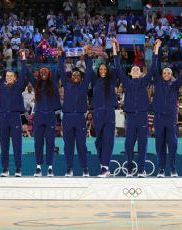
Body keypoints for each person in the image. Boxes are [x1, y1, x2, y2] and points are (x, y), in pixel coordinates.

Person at [113, 38, 160, 177]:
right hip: (131, 117)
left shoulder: (144, 81)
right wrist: (115, 49)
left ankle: (141, 170)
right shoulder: (126, 82)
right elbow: (118, 67)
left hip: (143, 116)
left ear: (140, 73)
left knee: (142, 145)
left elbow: (152, 68)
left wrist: (155, 50)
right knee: (128, 145)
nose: (135, 70)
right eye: (133, 69)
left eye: (137, 69)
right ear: (130, 73)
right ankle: (128, 169)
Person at [152, 47, 182, 178]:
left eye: (169, 73)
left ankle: (173, 169)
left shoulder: (175, 85)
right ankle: (161, 169)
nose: (166, 74)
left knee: (172, 145)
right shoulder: (157, 82)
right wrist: (156, 51)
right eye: (165, 73)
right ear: (162, 75)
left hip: (171, 119)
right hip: (159, 118)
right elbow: (154, 67)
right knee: (159, 145)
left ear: (172, 75)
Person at [57, 46, 93, 177]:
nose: (76, 76)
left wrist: (88, 57)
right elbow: (61, 70)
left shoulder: (84, 84)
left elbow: (89, 71)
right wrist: (61, 56)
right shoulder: (66, 84)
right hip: (67, 118)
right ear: (71, 76)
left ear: (81, 77)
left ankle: (85, 168)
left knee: (82, 145)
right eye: (74, 74)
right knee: (68, 146)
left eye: (78, 74)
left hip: (79, 118)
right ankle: (69, 169)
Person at [0, 50, 27, 177]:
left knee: (17, 145)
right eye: (7, 76)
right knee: (4, 145)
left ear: (15, 78)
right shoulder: (1, 86)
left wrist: (23, 59)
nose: (9, 78)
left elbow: (24, 73)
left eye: (11, 76)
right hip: (2, 117)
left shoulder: (18, 86)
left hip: (15, 117)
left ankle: (18, 169)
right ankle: (5, 169)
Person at [26, 60, 62, 177]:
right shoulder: (36, 84)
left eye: (46, 71)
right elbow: (28, 74)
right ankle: (38, 167)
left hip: (50, 115)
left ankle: (50, 168)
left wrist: (61, 57)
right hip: (39, 116)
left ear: (49, 73)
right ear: (39, 74)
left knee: (50, 143)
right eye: (42, 72)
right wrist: (23, 60)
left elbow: (59, 69)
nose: (44, 73)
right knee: (38, 143)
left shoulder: (53, 82)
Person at [92, 49, 117, 178]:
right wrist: (88, 55)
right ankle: (103, 165)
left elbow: (116, 68)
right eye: (100, 69)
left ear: (107, 71)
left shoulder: (111, 81)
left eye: (104, 69)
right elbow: (89, 70)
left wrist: (113, 55)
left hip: (109, 112)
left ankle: (105, 167)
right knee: (98, 141)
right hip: (97, 113)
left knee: (108, 140)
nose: (102, 71)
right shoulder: (94, 80)